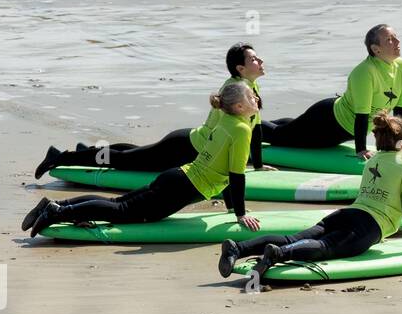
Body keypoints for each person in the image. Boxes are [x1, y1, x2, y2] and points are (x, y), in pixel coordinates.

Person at [220, 111, 402, 283]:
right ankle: (279, 254)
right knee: (325, 247)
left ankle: (238, 248)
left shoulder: (373, 160)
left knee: (293, 237)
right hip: (369, 226)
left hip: (347, 213)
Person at [23, 81, 262, 236]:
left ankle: (59, 206)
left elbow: (227, 172)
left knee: (120, 203)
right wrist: (240, 214)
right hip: (183, 187)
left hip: (178, 177)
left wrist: (232, 208)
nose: (256, 99)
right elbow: (236, 174)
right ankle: (57, 212)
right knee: (122, 211)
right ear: (239, 106)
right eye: (251, 97)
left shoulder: (228, 121)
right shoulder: (242, 130)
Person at [33, 43, 266, 178]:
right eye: (254, 58)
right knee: (125, 161)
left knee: (135, 154)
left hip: (187, 143)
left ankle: (87, 151)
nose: (261, 60)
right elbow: (231, 133)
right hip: (185, 148)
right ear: (240, 68)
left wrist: (257, 165)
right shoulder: (238, 92)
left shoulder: (250, 89)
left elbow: (255, 130)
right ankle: (61, 157)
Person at [261, 24, 402, 159]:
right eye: (390, 40)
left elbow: (401, 108)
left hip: (343, 128)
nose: (397, 42)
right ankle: (248, 125)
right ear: (376, 49)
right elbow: (362, 115)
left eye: (396, 37)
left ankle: (290, 124)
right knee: (278, 138)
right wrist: (361, 150)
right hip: (329, 122)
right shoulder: (365, 72)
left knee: (292, 129)